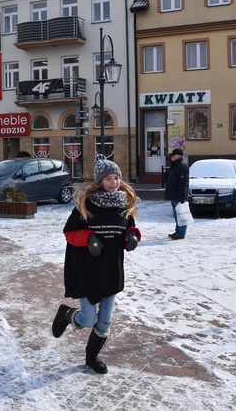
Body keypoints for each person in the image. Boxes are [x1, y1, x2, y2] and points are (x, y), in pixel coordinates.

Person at [51, 156, 141, 374]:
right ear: (98, 181)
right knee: (89, 319)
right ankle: (67, 315)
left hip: (111, 270)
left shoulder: (123, 204)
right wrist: (89, 237)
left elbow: (129, 227)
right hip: (87, 271)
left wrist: (132, 236)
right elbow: (69, 233)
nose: (113, 182)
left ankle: (92, 358)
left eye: (116, 177)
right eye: (108, 178)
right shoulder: (87, 205)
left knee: (105, 321)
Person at [164, 148, 189, 240]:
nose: (171, 157)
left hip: (178, 196)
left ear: (178, 157)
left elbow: (183, 184)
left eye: (173, 155)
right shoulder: (175, 166)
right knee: (176, 215)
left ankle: (181, 233)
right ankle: (178, 231)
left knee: (181, 215)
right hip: (174, 195)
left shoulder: (181, 167)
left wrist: (182, 196)